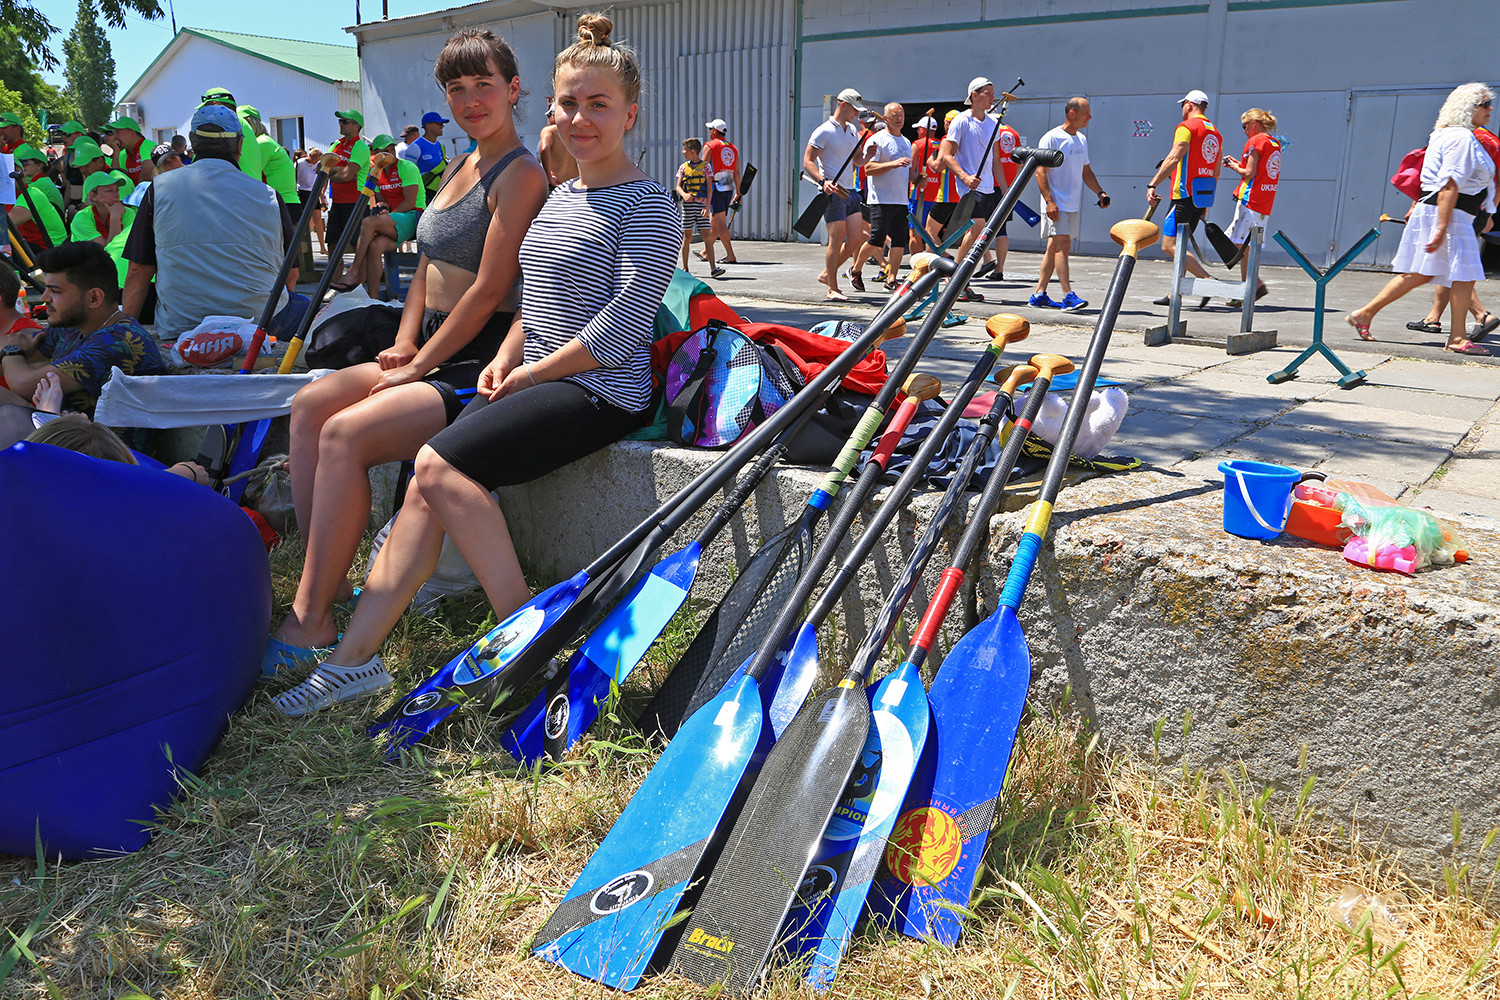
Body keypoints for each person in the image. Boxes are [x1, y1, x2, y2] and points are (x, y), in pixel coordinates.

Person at [272, 12, 678, 715]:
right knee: (423, 487)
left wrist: (530, 374)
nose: (581, 119)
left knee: (434, 466)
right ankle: (349, 664)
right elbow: (534, 303)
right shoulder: (562, 197)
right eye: (569, 103)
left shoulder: (649, 203)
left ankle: (527, 642)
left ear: (631, 114)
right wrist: (509, 360)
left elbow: (620, 330)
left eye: (599, 104)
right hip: (535, 376)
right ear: (551, 108)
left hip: (601, 389)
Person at [263, 26, 550, 679]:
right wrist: (403, 340)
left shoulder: (522, 175)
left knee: (344, 435)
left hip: (479, 355)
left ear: (513, 89)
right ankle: (328, 583)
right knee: (309, 406)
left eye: (484, 85)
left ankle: (310, 619)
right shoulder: (457, 165)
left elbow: (490, 289)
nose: (471, 100)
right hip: (429, 340)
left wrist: (420, 364)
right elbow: (425, 264)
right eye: (457, 88)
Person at [121, 104, 298, 341]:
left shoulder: (159, 188)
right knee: (304, 306)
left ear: (193, 144)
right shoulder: (269, 195)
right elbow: (291, 273)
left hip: (181, 325)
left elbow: (138, 270)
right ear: (240, 145)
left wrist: (124, 336)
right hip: (259, 323)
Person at [1346, 83, 1495, 355]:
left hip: (1450, 212)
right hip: (1450, 213)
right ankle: (1457, 338)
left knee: (1424, 273)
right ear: (1467, 108)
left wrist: (1486, 212)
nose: (1490, 109)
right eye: (1484, 104)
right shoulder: (1460, 137)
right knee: (1461, 275)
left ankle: (1365, 313)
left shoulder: (1449, 134)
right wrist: (1441, 226)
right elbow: (1449, 184)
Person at [0, 241, 165, 413]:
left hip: (94, 431)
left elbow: (24, 384)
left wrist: (10, 351)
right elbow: (24, 348)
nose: (44, 297)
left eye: (55, 291)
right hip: (59, 423)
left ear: (94, 298)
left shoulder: (117, 342)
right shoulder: (73, 327)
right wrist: (13, 352)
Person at [1405, 121, 1500, 341]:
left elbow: (1440, 179)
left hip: (1456, 209)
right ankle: (1433, 318)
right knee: (1449, 263)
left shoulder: (1461, 138)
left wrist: (1415, 205)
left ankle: (1481, 315)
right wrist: (1490, 214)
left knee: (1450, 266)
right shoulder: (1489, 140)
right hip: (1476, 210)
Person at [1030, 97, 1107, 312]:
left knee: (1054, 247)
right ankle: (1068, 296)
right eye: (1086, 113)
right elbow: (1040, 172)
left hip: (1072, 204)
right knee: (1062, 246)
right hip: (1056, 204)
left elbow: (1086, 171)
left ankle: (1038, 295)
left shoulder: (1081, 139)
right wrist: (1049, 201)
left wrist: (1100, 192)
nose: (1090, 117)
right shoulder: (1051, 138)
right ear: (1072, 114)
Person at [1147, 89, 1223, 306]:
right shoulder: (1215, 133)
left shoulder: (1186, 127)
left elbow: (1174, 157)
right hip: (1201, 197)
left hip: (1183, 195)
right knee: (1181, 246)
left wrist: (1153, 184)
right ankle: (1175, 294)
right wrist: (1207, 201)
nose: (1182, 109)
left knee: (1169, 246)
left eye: (1183, 105)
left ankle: (1208, 281)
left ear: (1189, 105)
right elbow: (1216, 170)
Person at [329, 133, 428, 295]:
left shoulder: (407, 167)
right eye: (385, 151)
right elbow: (382, 201)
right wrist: (383, 209)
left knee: (368, 222)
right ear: (375, 154)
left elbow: (410, 203)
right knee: (374, 247)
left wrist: (386, 218)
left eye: (392, 149)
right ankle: (372, 298)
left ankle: (353, 273)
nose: (390, 153)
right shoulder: (376, 172)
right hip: (395, 221)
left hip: (414, 217)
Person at [938, 77, 1006, 302]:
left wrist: (1005, 189)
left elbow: (996, 160)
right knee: (977, 227)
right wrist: (965, 177)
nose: (992, 97)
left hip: (988, 186)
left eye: (993, 93)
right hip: (968, 187)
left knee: (979, 233)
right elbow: (947, 155)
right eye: (988, 93)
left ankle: (960, 279)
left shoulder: (993, 123)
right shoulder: (961, 121)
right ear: (974, 95)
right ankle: (957, 279)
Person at [804, 87, 869, 302]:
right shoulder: (823, 131)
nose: (857, 114)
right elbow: (808, 161)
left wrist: (868, 156)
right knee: (836, 240)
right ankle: (832, 287)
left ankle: (826, 274)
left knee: (856, 239)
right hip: (833, 193)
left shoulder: (852, 130)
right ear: (843, 105)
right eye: (854, 109)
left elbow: (857, 160)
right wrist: (823, 181)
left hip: (850, 191)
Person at [850, 102, 913, 293]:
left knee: (899, 241)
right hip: (881, 199)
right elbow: (868, 168)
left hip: (901, 200)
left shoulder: (906, 142)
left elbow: (908, 171)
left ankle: (891, 279)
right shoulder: (877, 139)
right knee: (876, 240)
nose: (899, 118)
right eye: (894, 115)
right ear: (885, 118)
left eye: (901, 114)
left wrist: (918, 179)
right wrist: (893, 164)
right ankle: (856, 269)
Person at [1220, 107, 1280, 305]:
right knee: (1246, 244)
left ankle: (1252, 285)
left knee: (1238, 243)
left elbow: (1249, 173)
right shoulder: (1273, 143)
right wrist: (1239, 164)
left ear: (1254, 123)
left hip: (1250, 199)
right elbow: (1259, 170)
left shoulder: (1255, 141)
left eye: (1245, 126)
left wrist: (1234, 166)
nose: (1244, 130)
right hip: (1264, 201)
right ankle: (1249, 287)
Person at [324, 109, 372, 269]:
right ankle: (334, 280)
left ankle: (359, 281)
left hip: (355, 202)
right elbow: (321, 168)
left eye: (345, 121)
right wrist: (338, 171)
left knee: (358, 246)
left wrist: (333, 172)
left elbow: (346, 175)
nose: (341, 124)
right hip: (337, 202)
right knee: (332, 244)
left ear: (357, 125)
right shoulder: (337, 144)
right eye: (340, 121)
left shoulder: (360, 146)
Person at [675, 137, 719, 276]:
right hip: (688, 207)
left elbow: (710, 189)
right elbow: (678, 187)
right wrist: (684, 195)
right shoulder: (683, 167)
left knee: (707, 236)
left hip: (701, 206)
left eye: (685, 150)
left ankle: (713, 268)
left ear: (693, 151)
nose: (683, 152)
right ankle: (685, 268)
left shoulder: (706, 167)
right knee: (687, 236)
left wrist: (707, 207)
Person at [240, 106, 300, 206]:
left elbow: (249, 174)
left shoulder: (262, 143)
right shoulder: (265, 140)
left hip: (281, 202)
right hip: (283, 202)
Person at [702, 118, 741, 264]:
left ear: (714, 131)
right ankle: (706, 252)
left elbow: (703, 168)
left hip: (715, 188)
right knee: (714, 221)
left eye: (710, 129)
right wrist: (739, 192)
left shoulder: (710, 146)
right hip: (728, 188)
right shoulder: (733, 148)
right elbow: (737, 172)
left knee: (720, 222)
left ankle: (730, 255)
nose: (709, 132)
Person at [403, 111, 450, 200]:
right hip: (425, 195)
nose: (442, 126)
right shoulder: (415, 146)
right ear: (428, 126)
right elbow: (407, 173)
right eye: (439, 124)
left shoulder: (440, 145)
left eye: (442, 124)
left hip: (440, 193)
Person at [538, 101, 579, 188]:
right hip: (575, 183)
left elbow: (544, 149)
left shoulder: (550, 131)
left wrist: (548, 176)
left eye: (549, 116)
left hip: (556, 182)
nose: (548, 119)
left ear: (555, 115)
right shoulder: (579, 133)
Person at [104, 115, 154, 186]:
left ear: (132, 132)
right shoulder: (123, 154)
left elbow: (146, 177)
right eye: (114, 132)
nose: (115, 136)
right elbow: (116, 177)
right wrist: (116, 153)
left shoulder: (148, 145)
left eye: (118, 132)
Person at [299, 145, 328, 252]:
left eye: (317, 160)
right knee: (303, 219)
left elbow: (323, 179)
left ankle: (322, 247)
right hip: (302, 192)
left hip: (314, 192)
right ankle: (301, 244)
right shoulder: (300, 164)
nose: (315, 162)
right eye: (314, 159)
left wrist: (322, 195)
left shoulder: (318, 165)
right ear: (310, 156)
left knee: (318, 220)